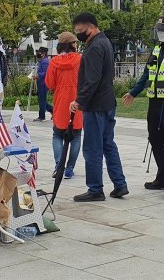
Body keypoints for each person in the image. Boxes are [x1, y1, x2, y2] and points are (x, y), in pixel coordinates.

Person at [123, 16, 164, 200]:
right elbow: (146, 75)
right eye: (159, 27)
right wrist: (133, 92)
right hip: (155, 103)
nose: (161, 30)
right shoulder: (156, 49)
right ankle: (161, 176)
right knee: (155, 140)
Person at [70, 12, 128, 202]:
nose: (79, 35)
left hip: (96, 105)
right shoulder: (105, 42)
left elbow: (91, 80)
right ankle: (120, 184)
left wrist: (79, 100)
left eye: (80, 31)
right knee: (108, 144)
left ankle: (95, 188)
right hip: (107, 102)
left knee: (93, 148)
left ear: (91, 27)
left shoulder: (95, 46)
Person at [45, 32, 83, 180]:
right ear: (72, 44)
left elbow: (49, 83)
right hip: (77, 101)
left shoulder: (54, 62)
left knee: (57, 135)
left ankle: (58, 166)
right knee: (76, 136)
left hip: (61, 102)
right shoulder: (80, 59)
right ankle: (69, 168)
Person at [34, 47, 53, 121]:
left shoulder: (45, 62)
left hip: (43, 83)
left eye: (40, 52)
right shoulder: (41, 61)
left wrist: (38, 75)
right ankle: (53, 111)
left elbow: (46, 73)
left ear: (43, 53)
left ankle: (42, 116)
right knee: (42, 100)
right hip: (40, 83)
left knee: (42, 100)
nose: (38, 53)